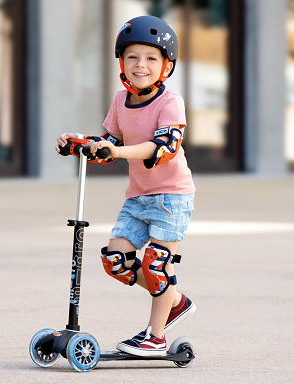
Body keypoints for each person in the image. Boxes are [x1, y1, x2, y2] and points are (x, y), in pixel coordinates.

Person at [55, 15, 196, 357]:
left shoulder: (169, 102)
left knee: (157, 264)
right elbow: (108, 142)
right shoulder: (121, 101)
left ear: (166, 66)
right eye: (132, 56)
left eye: (151, 58)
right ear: (121, 61)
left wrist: (116, 150)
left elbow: (163, 147)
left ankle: (156, 336)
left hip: (171, 197)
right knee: (117, 260)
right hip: (138, 197)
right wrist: (80, 142)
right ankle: (174, 300)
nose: (140, 65)